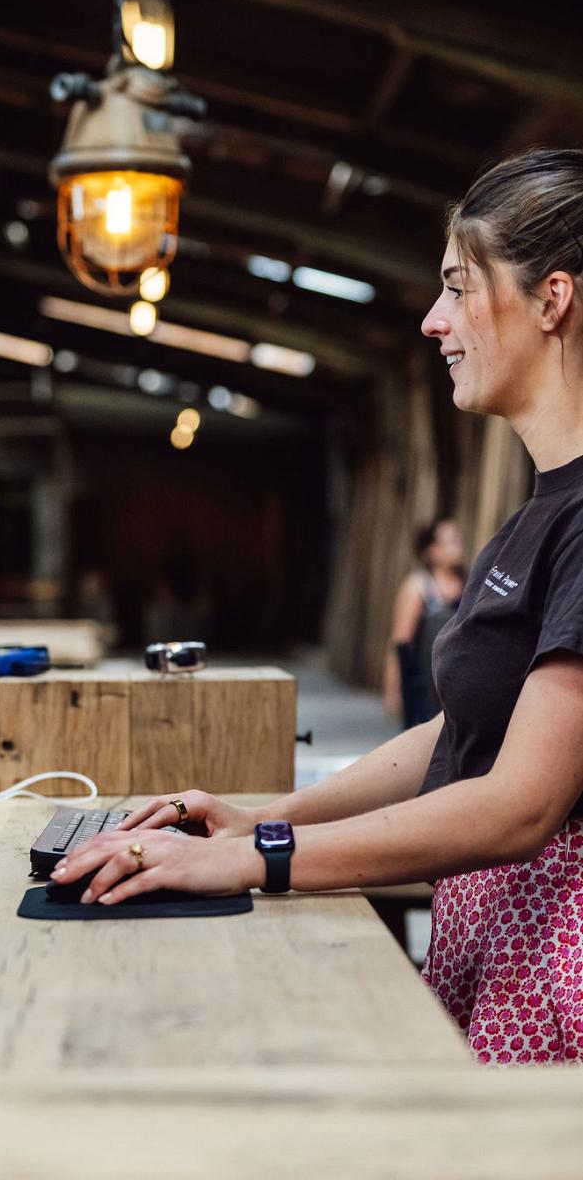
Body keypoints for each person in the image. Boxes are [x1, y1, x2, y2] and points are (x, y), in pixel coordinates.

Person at [51, 147, 583, 1066]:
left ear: (551, 300)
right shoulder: (537, 514)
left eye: (457, 288)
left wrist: (252, 858)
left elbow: (517, 805)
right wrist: (267, 818)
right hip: (501, 933)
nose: (433, 320)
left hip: (556, 965)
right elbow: (463, 734)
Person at [383, 519, 466, 728]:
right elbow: (401, 642)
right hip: (423, 684)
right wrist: (393, 690)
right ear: (431, 551)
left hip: (455, 686)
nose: (458, 545)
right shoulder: (418, 587)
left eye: (458, 539)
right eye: (451, 541)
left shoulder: (468, 584)